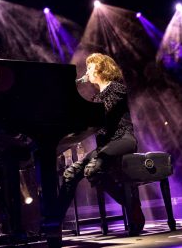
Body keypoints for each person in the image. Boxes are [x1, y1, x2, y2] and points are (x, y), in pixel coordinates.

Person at [56, 52, 145, 234]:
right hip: (104, 146)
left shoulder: (117, 89)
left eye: (90, 67)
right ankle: (54, 223)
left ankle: (132, 206)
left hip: (123, 139)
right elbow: (86, 119)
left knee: (94, 168)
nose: (87, 71)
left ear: (101, 68)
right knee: (70, 174)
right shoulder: (95, 98)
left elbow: (101, 113)